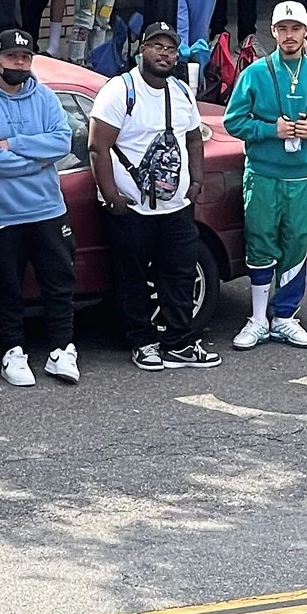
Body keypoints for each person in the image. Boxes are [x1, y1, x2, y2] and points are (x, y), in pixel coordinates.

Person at [88, 24, 218, 371]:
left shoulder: (180, 91)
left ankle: (180, 343)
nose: (164, 54)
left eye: (170, 49)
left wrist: (197, 180)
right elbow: (98, 147)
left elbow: (193, 138)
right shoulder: (120, 90)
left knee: (179, 275)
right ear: (141, 50)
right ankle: (143, 342)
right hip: (131, 209)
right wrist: (111, 195)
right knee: (132, 278)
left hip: (176, 207)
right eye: (156, 46)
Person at [0, 29, 79, 389]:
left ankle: (62, 350)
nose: (19, 64)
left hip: (47, 209)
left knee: (59, 284)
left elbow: (63, 141)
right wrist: (39, 161)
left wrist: (14, 143)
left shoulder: (45, 97)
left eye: (25, 58)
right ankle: (13, 352)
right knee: (5, 289)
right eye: (12, 57)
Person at [223, 0, 307, 349]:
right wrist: (268, 130)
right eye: (283, 29)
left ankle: (285, 317)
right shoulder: (255, 73)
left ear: (306, 32)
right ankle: (258, 318)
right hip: (263, 173)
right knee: (260, 239)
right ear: (273, 32)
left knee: (296, 243)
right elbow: (233, 121)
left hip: (302, 176)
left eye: (296, 28)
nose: (289, 35)